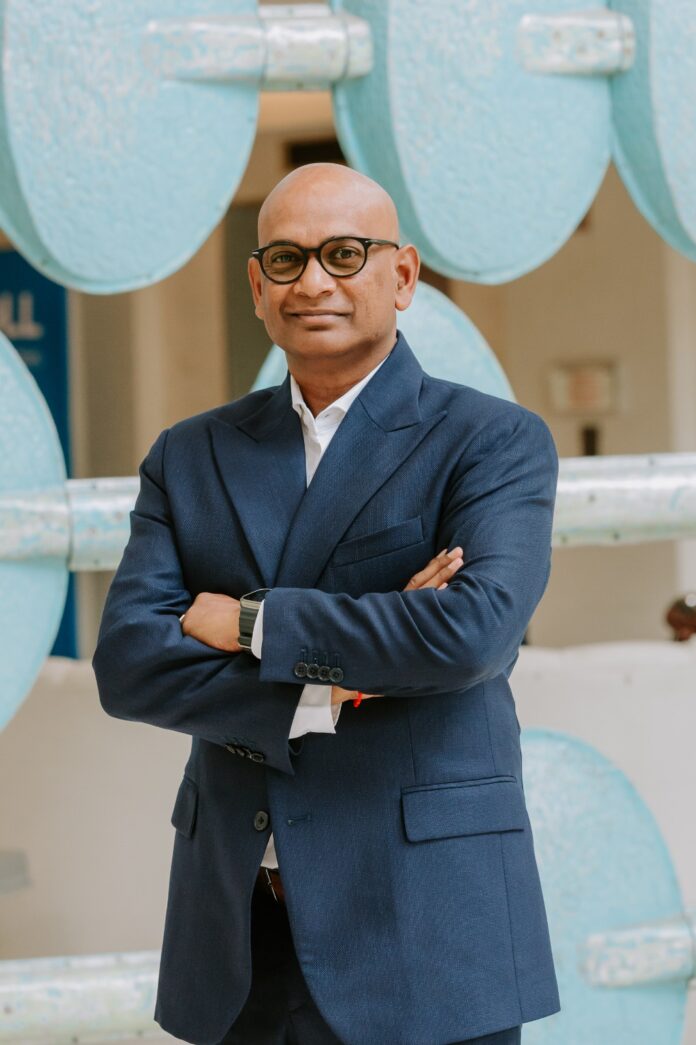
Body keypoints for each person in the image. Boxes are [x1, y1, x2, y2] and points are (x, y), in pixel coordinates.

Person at [92, 162, 561, 1045]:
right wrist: (336, 684)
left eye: (345, 254)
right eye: (286, 259)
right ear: (256, 286)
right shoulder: (189, 455)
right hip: (241, 930)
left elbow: (469, 633)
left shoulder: (492, 441)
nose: (312, 282)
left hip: (426, 922)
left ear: (403, 274)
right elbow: (129, 664)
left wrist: (247, 622)